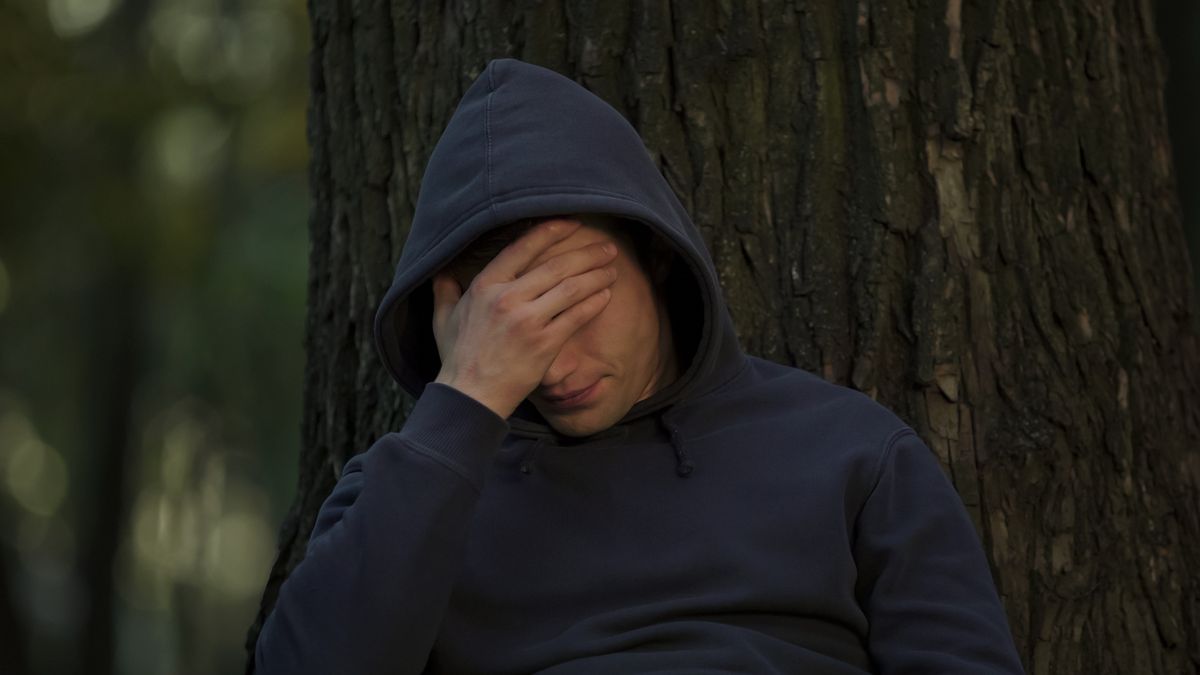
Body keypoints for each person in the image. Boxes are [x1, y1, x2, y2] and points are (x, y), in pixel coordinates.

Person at [254, 58, 1025, 674]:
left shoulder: (853, 454)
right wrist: (466, 397)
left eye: (576, 303)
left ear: (655, 254)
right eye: (516, 328)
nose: (554, 367)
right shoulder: (406, 493)